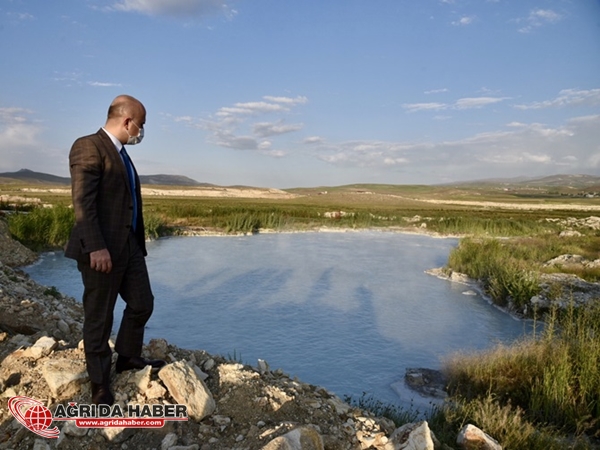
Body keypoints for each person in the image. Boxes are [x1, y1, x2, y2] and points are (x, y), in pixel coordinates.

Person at [65, 95, 165, 406]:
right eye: (141, 125)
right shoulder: (88, 146)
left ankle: (127, 357)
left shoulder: (122, 155)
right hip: (101, 249)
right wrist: (96, 247)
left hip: (129, 246)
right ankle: (99, 383)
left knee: (142, 303)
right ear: (127, 121)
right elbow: (83, 202)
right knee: (99, 317)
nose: (141, 131)